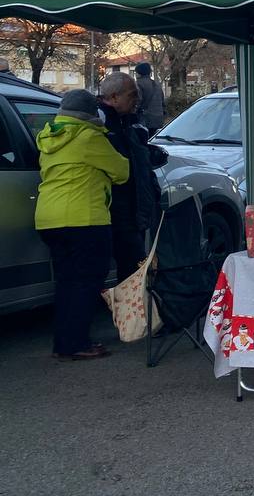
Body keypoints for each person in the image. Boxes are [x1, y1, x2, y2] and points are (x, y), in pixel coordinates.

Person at [35, 89, 130, 359]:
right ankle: (77, 344)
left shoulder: (47, 137)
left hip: (48, 219)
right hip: (84, 219)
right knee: (86, 282)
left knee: (66, 282)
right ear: (91, 114)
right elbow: (122, 171)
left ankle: (64, 342)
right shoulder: (89, 137)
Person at [98, 72, 169, 284]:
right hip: (114, 212)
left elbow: (140, 161)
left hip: (133, 211)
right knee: (126, 273)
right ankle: (125, 313)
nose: (137, 99)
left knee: (132, 271)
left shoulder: (132, 122)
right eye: (132, 95)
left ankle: (127, 314)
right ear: (113, 97)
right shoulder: (98, 123)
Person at [134, 61, 166, 134]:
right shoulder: (157, 85)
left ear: (139, 73)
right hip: (158, 120)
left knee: (143, 141)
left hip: (145, 120)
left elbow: (137, 102)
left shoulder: (138, 84)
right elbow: (163, 103)